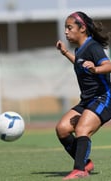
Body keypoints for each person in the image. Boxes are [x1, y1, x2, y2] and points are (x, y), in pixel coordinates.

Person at [56, 11, 111, 180]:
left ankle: (79, 169)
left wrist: (96, 69)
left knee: (82, 129)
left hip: (103, 97)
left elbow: (108, 65)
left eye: (69, 27)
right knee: (62, 129)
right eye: (66, 27)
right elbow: (80, 64)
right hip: (87, 100)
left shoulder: (93, 47)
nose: (66, 31)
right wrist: (66, 53)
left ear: (82, 28)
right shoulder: (80, 49)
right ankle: (85, 163)